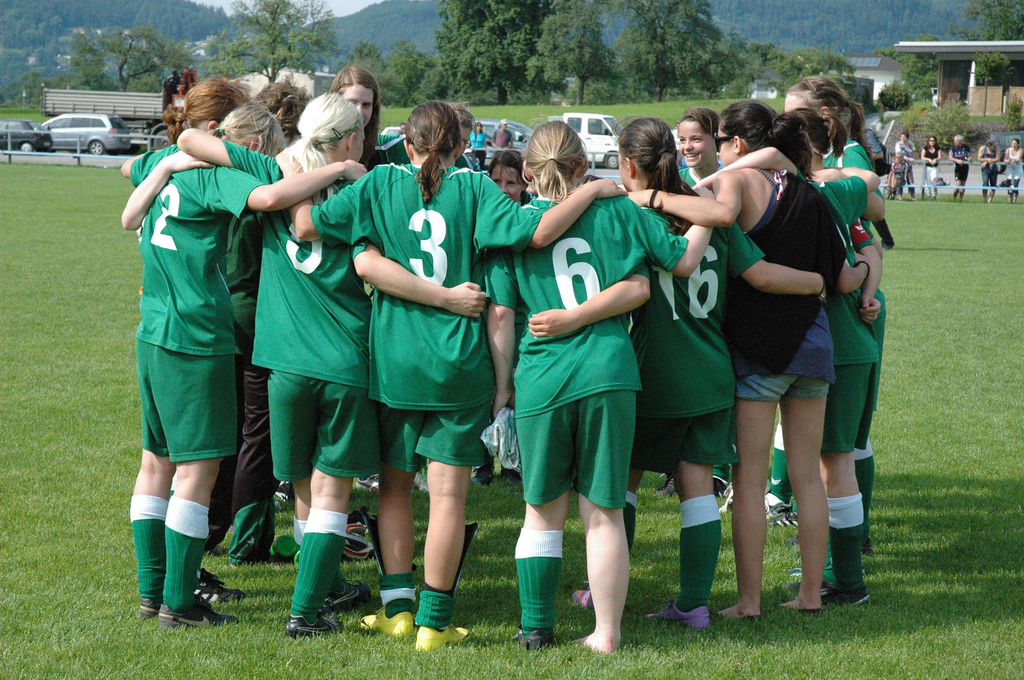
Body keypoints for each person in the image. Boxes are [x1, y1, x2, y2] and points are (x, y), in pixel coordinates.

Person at [290, 101, 623, 651]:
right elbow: (539, 230)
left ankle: (397, 609)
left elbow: (306, 224)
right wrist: (591, 191)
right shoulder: (474, 188)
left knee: (394, 488)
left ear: (407, 143)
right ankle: (433, 623)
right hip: (460, 364)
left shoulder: (379, 183)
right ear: (462, 147)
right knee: (448, 497)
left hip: (395, 360)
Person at [568, 117, 828, 628]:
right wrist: (817, 281)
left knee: (622, 483)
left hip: (652, 370)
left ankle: (603, 593)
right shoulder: (707, 212)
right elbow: (758, 273)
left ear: (626, 164)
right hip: (712, 369)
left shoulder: (630, 213)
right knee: (698, 484)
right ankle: (693, 604)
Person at [123, 104, 356, 630]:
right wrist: (340, 169)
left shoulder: (167, 163)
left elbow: (127, 168)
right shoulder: (218, 176)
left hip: (151, 327)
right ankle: (179, 603)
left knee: (155, 463)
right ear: (251, 147)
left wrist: (166, 162)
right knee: (198, 472)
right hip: (196, 333)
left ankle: (152, 591)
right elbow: (271, 196)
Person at [500, 120, 725, 654]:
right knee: (603, 513)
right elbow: (654, 277)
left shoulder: (511, 224)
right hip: (609, 370)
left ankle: (536, 628)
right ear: (584, 166)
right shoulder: (621, 211)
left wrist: (502, 389)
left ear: (527, 172)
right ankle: (606, 633)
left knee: (541, 509)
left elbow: (503, 313)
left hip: (543, 375)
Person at [689, 100, 869, 618]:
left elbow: (706, 205)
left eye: (720, 141)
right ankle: (811, 594)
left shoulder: (734, 183)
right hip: (814, 347)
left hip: (759, 351)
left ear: (736, 143)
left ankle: (749, 602)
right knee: (808, 476)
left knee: (749, 479)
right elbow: (840, 276)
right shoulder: (813, 194)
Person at [785, 77, 890, 558]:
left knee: (840, 450)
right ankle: (840, 550)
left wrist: (861, 284)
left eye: (791, 116)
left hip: (843, 325)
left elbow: (872, 210)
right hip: (844, 323)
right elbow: (868, 240)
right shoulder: (826, 182)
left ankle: (844, 561)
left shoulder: (834, 175)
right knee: (833, 450)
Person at [217, 78, 312, 568]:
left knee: (229, 431)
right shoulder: (260, 184)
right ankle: (248, 540)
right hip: (252, 319)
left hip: (215, 316)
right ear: (256, 145)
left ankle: (213, 527)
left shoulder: (206, 176)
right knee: (259, 433)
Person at [949, 135, 972, 202]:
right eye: (955, 141)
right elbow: (950, 158)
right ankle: (954, 198)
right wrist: (957, 160)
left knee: (963, 184)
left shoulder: (966, 147)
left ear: (961, 141)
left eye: (957, 141)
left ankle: (961, 199)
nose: (955, 142)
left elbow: (969, 156)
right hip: (957, 168)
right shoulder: (952, 148)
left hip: (965, 167)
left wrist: (970, 158)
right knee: (958, 184)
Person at [979, 138, 1000, 204]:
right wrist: (986, 160)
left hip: (994, 169)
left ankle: (990, 200)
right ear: (989, 145)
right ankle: (985, 199)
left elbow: (998, 158)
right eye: (993, 145)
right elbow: (979, 158)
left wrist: (990, 161)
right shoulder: (983, 148)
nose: (995, 147)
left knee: (993, 185)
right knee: (985, 183)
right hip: (985, 169)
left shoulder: (997, 149)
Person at [1004, 138, 1022, 203]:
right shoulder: (1008, 150)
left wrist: (1013, 161)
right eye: (1012, 143)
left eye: (1015, 143)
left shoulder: (1020, 150)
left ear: (1018, 144)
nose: (1013, 144)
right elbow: (1005, 159)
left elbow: (1018, 159)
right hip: (1009, 171)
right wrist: (1008, 161)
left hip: (1017, 171)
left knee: (1015, 185)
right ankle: (1010, 201)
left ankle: (1014, 201)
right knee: (1009, 185)